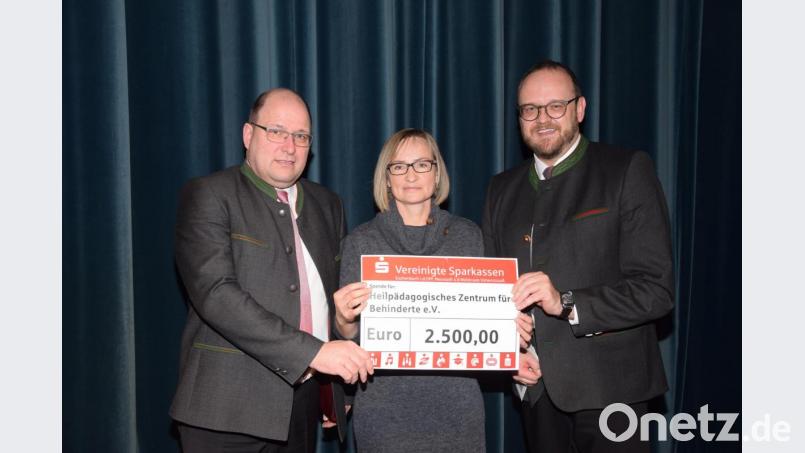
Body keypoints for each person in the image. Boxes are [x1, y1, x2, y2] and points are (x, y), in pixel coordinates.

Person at [482, 60, 674, 452]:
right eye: (530, 109)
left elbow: (656, 290)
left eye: (556, 106)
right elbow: (492, 291)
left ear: (580, 109)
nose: (543, 119)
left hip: (614, 392)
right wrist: (507, 354)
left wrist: (566, 303)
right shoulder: (501, 189)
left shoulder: (625, 170)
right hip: (538, 391)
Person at [170, 88, 374, 453]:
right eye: (276, 131)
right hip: (225, 412)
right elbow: (216, 294)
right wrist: (315, 353)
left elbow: (331, 303)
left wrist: (337, 390)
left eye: (301, 136)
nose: (289, 146)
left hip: (302, 406)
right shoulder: (210, 194)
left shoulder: (328, 204)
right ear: (249, 135)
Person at [333, 128, 533, 452]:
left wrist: (510, 332)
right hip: (384, 414)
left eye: (422, 164)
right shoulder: (361, 242)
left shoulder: (469, 236)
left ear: (437, 173)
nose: (410, 175)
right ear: (386, 177)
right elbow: (348, 339)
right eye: (399, 166)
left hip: (458, 409)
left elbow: (484, 323)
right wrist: (344, 321)